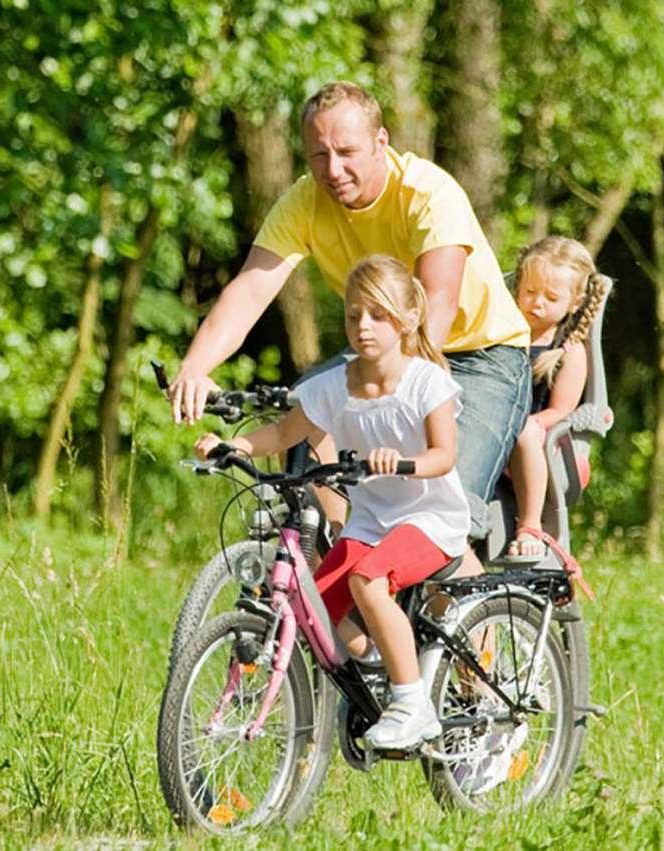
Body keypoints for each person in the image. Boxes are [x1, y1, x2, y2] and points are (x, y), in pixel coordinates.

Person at [168, 81, 530, 557]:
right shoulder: (304, 202)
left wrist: (396, 394)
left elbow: (434, 303)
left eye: (347, 152)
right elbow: (251, 288)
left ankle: (469, 628)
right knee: (303, 425)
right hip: (378, 348)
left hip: (482, 354)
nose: (333, 170)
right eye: (318, 155)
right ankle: (341, 555)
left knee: (435, 521)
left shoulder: (428, 192)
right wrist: (195, 367)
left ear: (381, 143)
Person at [195, 255, 467, 748]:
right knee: (317, 608)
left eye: (379, 315)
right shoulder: (333, 387)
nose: (363, 327)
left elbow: (443, 457)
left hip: (429, 519)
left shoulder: (427, 382)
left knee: (368, 580)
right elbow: (283, 432)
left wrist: (400, 463)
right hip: (372, 521)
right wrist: (231, 446)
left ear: (407, 319)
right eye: (353, 315)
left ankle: (413, 703)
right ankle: (382, 670)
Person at [503, 237, 608, 559]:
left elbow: (561, 409)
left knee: (526, 431)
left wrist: (529, 423)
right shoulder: (502, 334)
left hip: (543, 439)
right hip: (497, 428)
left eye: (550, 297)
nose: (536, 303)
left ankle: (530, 524)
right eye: (530, 292)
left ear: (574, 303)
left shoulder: (568, 350)